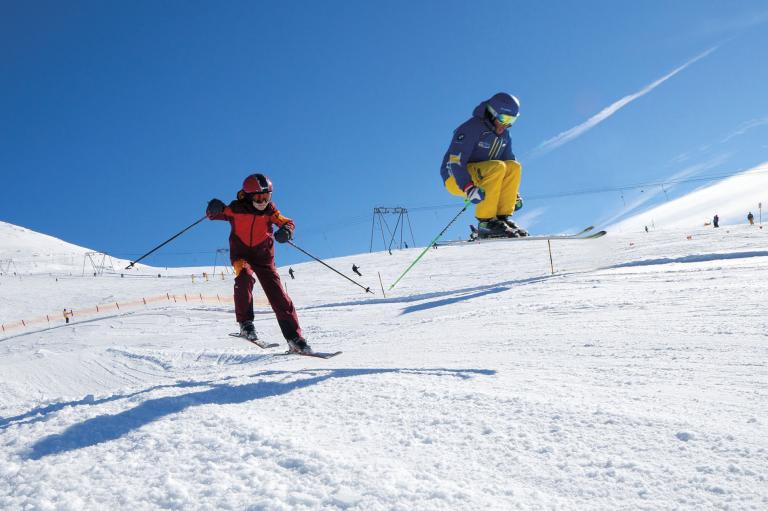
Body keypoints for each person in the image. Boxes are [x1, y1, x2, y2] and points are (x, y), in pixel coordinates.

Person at [206, 173, 311, 354]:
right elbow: (212, 215)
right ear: (248, 195)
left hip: (263, 256)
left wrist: (287, 231)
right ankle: (246, 324)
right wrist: (213, 207)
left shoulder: (271, 211)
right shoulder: (235, 209)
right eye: (258, 197)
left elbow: (288, 222)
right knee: (244, 277)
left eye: (266, 196)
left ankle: (295, 338)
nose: (263, 201)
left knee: (278, 294)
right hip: (242, 255)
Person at [440, 92, 527, 238]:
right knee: (497, 167)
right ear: (492, 113)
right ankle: (486, 223)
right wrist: (468, 187)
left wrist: (512, 194)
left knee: (514, 166)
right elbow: (455, 161)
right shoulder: (471, 128)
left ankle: (501, 219)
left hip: (485, 174)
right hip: (456, 177)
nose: (506, 124)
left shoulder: (505, 136)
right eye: (504, 118)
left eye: (511, 120)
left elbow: (509, 163)